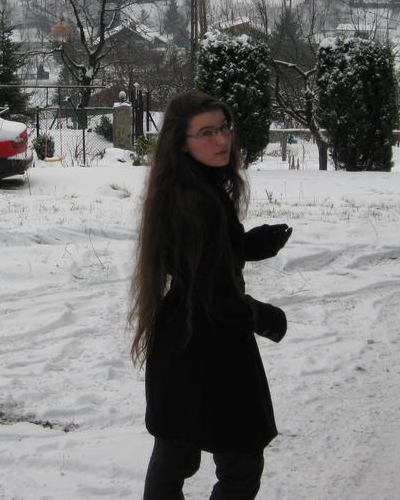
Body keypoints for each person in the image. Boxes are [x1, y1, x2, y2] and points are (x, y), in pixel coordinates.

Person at [129, 90, 292, 499]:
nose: (221, 140)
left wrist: (247, 245)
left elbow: (195, 261)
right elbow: (216, 295)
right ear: (181, 143)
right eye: (206, 133)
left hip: (182, 338)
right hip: (211, 344)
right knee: (240, 463)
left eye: (224, 128)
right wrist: (267, 318)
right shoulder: (194, 200)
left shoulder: (188, 186)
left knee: (175, 451)